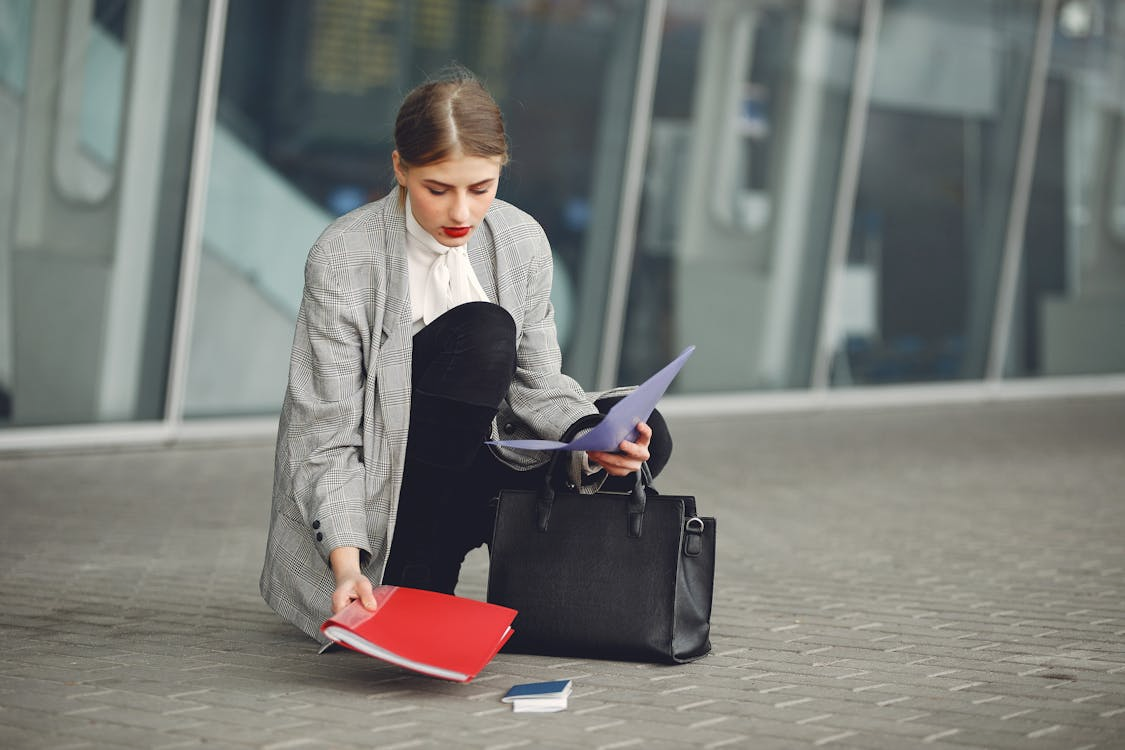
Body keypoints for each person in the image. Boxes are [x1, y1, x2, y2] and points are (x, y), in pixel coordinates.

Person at [260, 69, 672, 643]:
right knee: (481, 332)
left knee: (643, 431)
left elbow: (537, 379)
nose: (461, 212)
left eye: (481, 188)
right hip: (385, 491)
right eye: (438, 189)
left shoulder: (521, 240)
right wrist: (347, 562)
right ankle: (416, 576)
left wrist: (591, 435)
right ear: (401, 168)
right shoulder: (344, 257)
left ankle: (536, 591)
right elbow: (324, 432)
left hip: (479, 460)